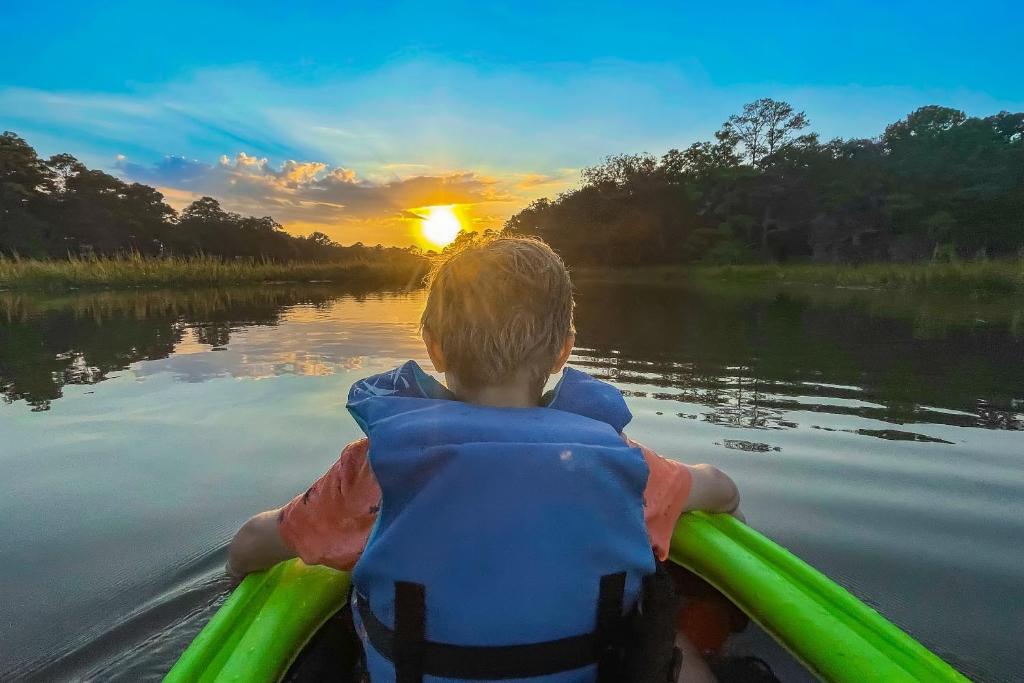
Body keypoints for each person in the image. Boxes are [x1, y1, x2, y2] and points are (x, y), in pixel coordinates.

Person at [228, 237, 742, 683]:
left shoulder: (372, 469)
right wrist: (727, 515)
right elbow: (719, 487)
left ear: (435, 349)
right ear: (564, 351)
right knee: (672, 639)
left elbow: (252, 543)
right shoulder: (625, 466)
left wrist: (233, 581)